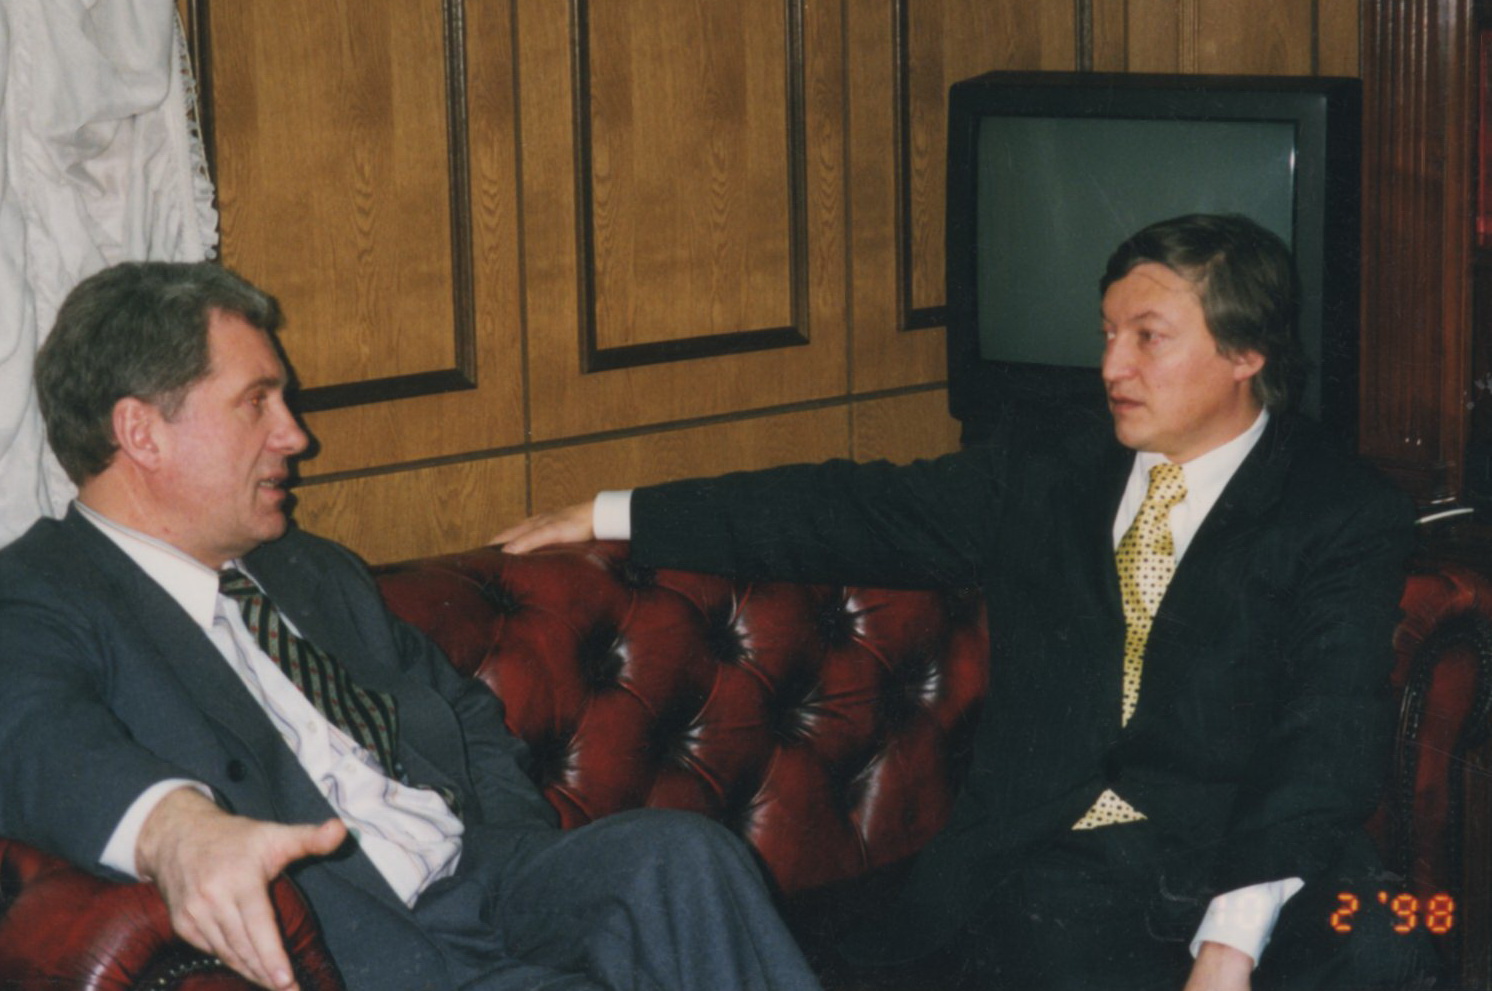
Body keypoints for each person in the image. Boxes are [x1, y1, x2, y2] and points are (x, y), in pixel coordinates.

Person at [494, 214, 1442, 990]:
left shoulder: (1337, 508)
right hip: (1060, 858)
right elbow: (845, 508)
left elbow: (1327, 730)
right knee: (1053, 937)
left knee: (1402, 931)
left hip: (1253, 853)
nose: (1112, 368)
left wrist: (1231, 941)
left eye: (1148, 338)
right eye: (1107, 334)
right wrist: (615, 512)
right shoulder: (1050, 469)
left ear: (1247, 352)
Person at [0, 261, 823, 991]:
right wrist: (176, 830)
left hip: (488, 879)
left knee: (682, 857)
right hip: (360, 940)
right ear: (140, 432)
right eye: (257, 402)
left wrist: (513, 847)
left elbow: (461, 713)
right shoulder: (41, 592)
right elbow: (32, 735)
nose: (296, 435)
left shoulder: (306, 567)